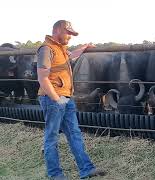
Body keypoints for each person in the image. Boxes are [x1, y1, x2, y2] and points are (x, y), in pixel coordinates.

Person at [37, 20, 105, 179]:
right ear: (58, 31)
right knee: (52, 137)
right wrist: (56, 99)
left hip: (66, 98)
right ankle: (55, 175)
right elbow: (42, 78)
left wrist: (84, 48)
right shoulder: (46, 49)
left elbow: (70, 57)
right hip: (53, 99)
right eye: (68, 33)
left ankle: (86, 169)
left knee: (74, 133)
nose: (70, 37)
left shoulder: (61, 49)